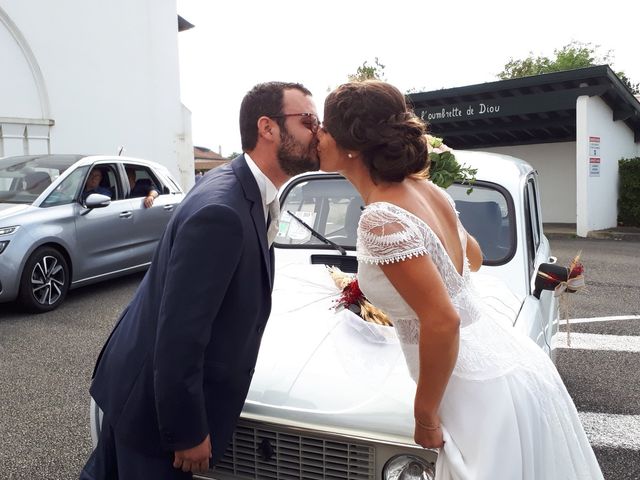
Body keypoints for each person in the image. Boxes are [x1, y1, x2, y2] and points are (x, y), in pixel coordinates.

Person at [317, 80, 604, 480]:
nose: (318, 135)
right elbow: (475, 258)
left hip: (470, 386)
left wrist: (425, 414)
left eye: (325, 127)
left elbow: (442, 320)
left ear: (352, 143)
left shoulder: (379, 219)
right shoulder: (428, 190)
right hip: (504, 355)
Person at [80, 81, 320, 479]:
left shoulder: (243, 188)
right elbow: (180, 334)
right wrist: (186, 431)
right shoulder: (223, 212)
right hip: (150, 415)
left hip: (137, 386)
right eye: (310, 119)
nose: (319, 132)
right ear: (268, 128)